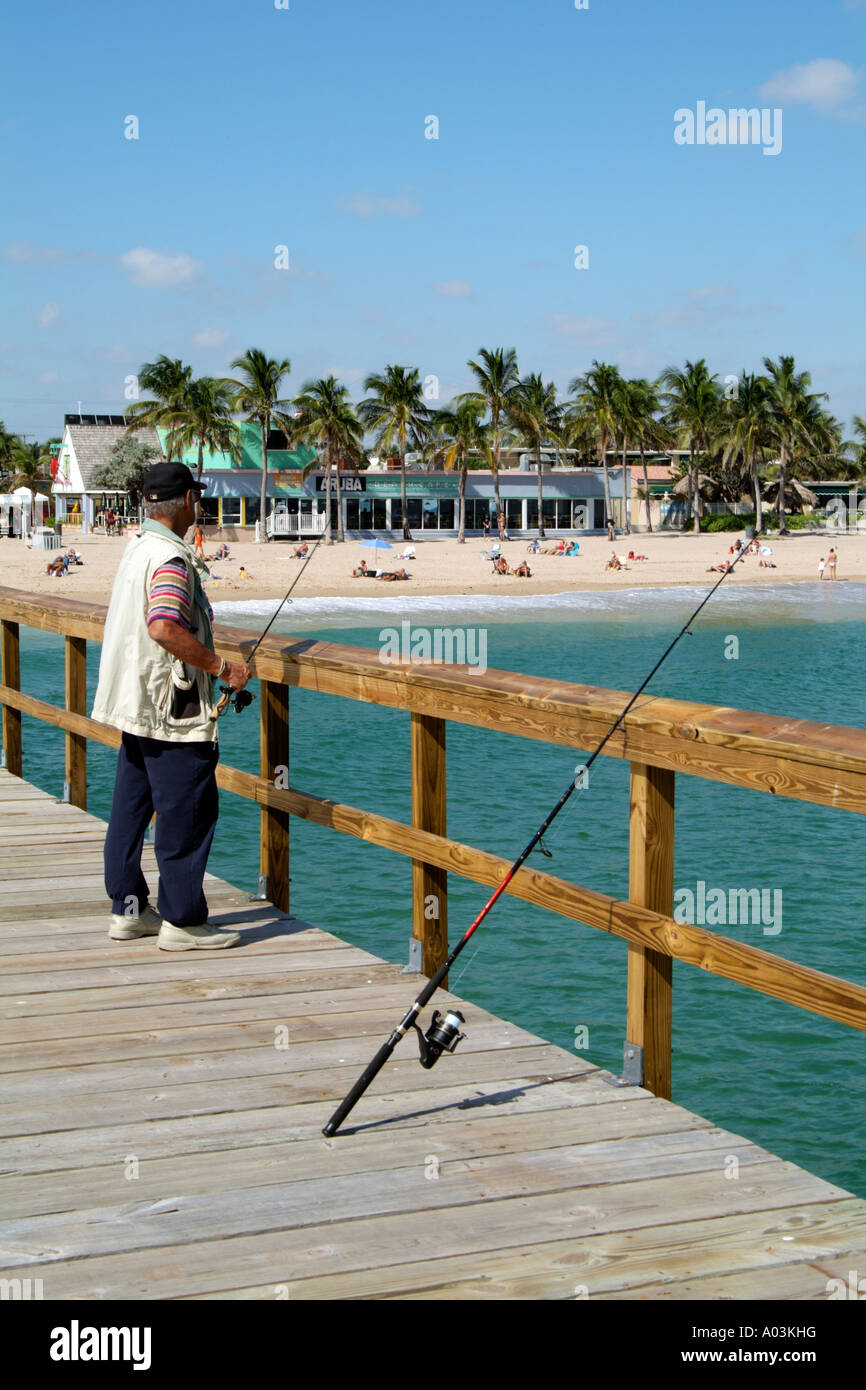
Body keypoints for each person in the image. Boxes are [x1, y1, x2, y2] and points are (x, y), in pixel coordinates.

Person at [92, 461, 251, 951]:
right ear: (186, 501)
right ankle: (182, 921)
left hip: (133, 702)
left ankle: (129, 910)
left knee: (130, 808)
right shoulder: (171, 560)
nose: (197, 505)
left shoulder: (137, 548)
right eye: (196, 498)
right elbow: (163, 625)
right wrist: (224, 668)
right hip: (170, 711)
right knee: (187, 812)